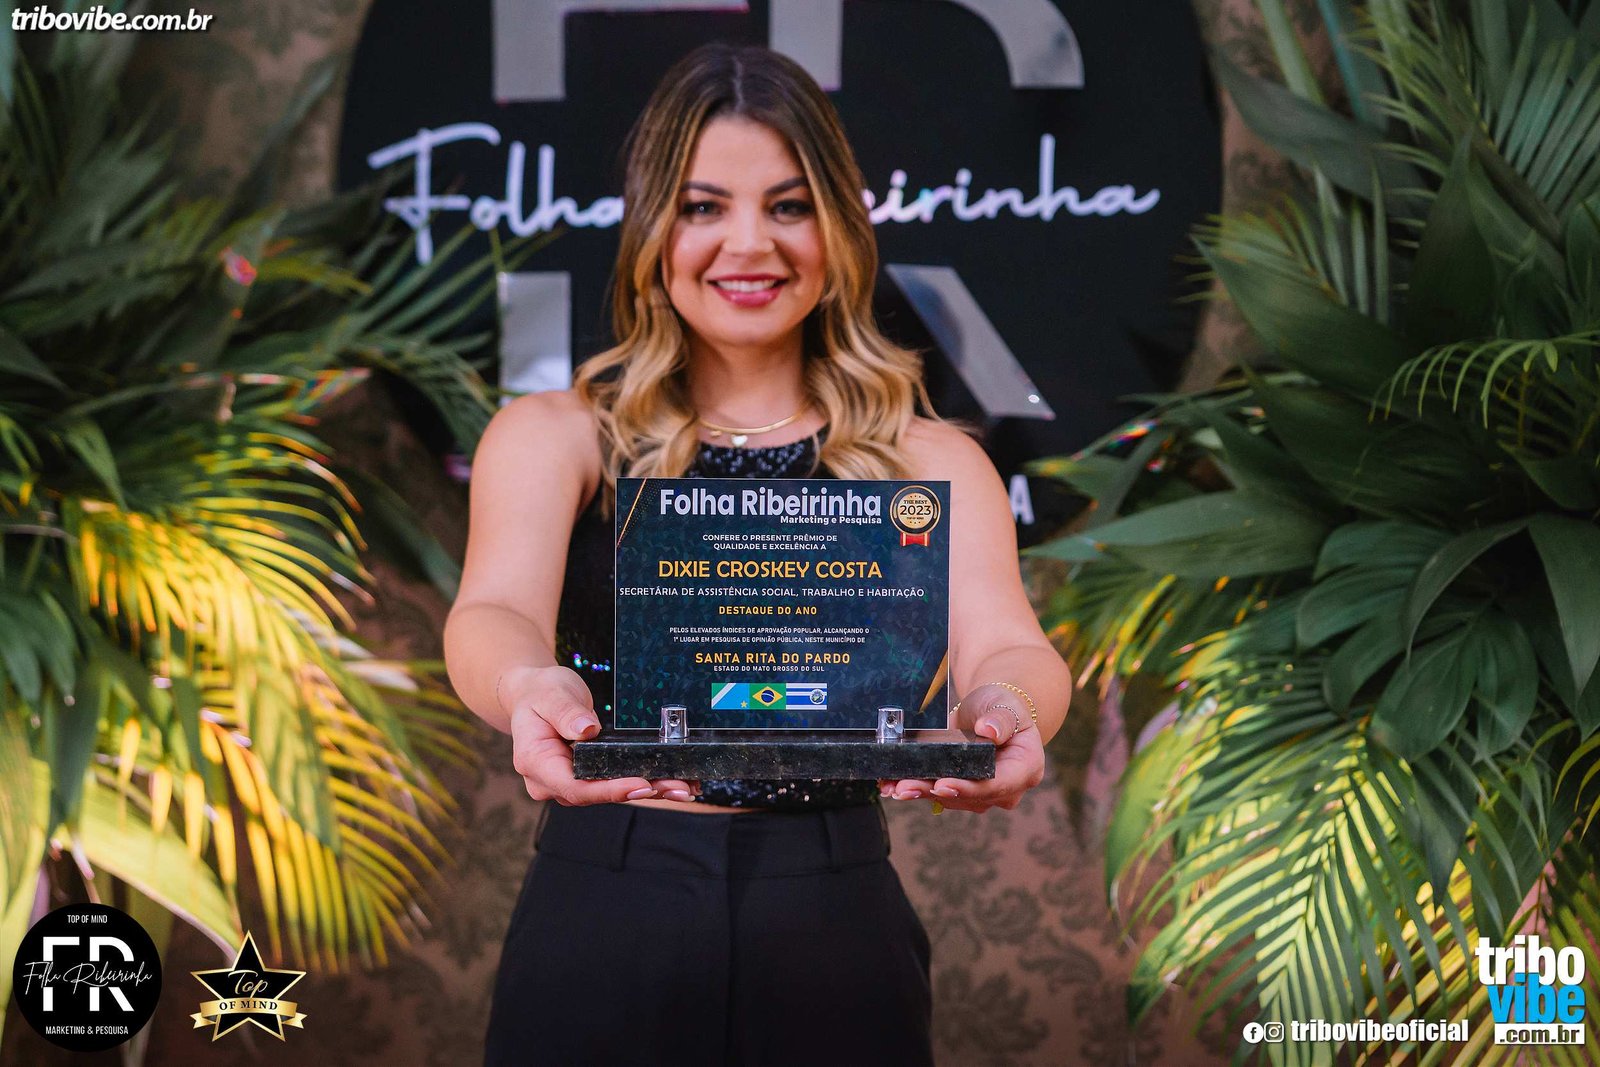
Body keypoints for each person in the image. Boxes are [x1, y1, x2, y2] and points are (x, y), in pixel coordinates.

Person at [444, 42, 1072, 1067]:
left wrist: (1009, 709)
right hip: (604, 901)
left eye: (789, 205)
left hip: (834, 910)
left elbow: (1011, 645)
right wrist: (527, 686)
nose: (749, 243)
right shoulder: (559, 435)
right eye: (703, 206)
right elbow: (492, 612)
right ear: (653, 227)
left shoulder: (927, 457)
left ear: (839, 228)